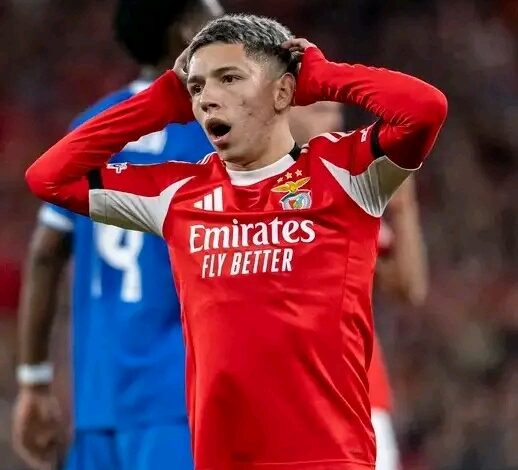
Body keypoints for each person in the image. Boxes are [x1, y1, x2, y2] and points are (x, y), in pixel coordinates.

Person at [25, 13, 448, 470]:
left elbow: (425, 108)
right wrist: (161, 101)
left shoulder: (343, 172)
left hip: (327, 458)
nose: (209, 97)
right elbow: (48, 178)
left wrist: (323, 78)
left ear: (283, 92)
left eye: (229, 78)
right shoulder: (178, 194)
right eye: (197, 87)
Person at [12, 1, 222, 469]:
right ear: (185, 33)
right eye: (216, 15)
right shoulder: (216, 131)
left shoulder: (91, 127)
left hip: (97, 403)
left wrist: (34, 380)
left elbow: (45, 253)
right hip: (180, 401)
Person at [290, 102, 429, 470]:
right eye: (319, 111)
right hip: (284, 401)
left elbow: (408, 288)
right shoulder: (250, 186)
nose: (332, 123)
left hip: (359, 400)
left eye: (335, 113)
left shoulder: (350, 186)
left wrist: (403, 206)